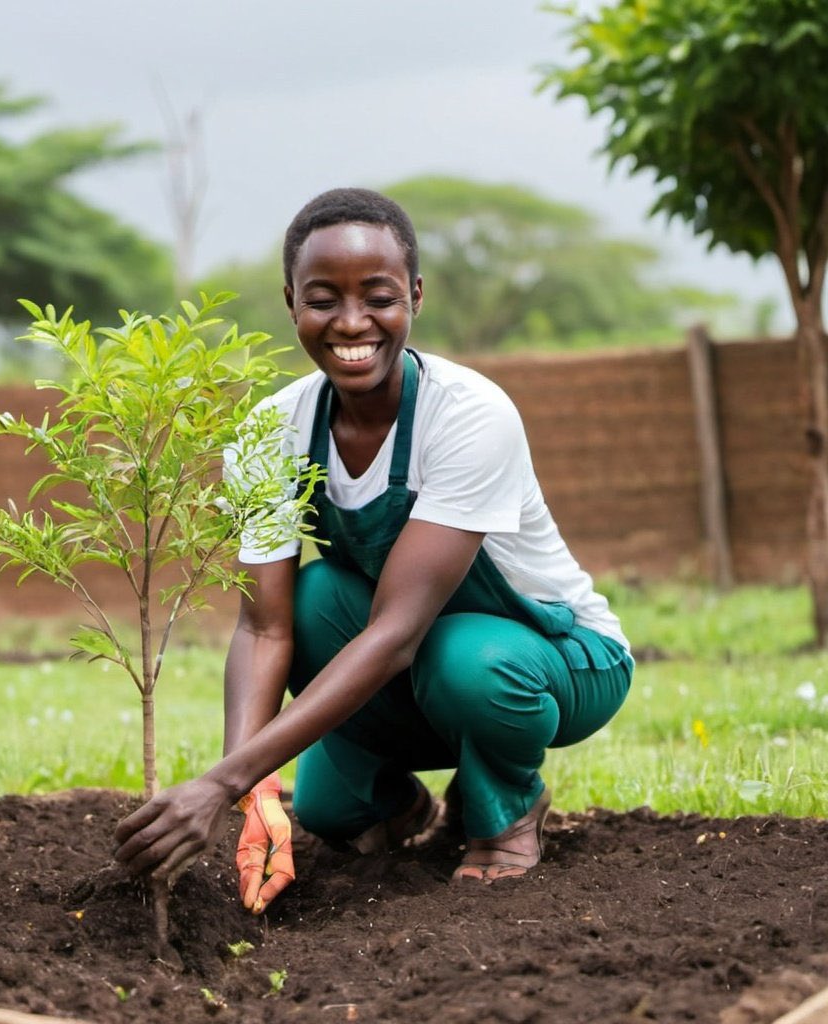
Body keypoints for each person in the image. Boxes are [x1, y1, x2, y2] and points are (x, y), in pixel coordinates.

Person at [114, 187, 633, 910]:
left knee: (468, 659)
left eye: (379, 296)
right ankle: (405, 808)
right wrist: (253, 786)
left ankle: (505, 813)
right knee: (317, 613)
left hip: (557, 657)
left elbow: (395, 633)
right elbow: (263, 626)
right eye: (323, 298)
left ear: (415, 295)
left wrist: (218, 783)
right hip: (417, 665)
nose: (352, 322)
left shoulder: (469, 415)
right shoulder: (270, 431)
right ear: (291, 300)